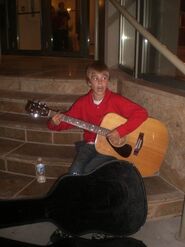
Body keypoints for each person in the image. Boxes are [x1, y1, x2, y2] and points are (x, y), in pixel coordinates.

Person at [47, 60, 148, 175]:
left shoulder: (116, 100)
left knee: (88, 172)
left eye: (104, 78)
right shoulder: (82, 103)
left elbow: (142, 113)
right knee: (74, 172)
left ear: (108, 81)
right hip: (90, 145)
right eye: (95, 78)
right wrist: (54, 123)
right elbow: (66, 122)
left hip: (111, 149)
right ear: (89, 82)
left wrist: (120, 131)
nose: (100, 83)